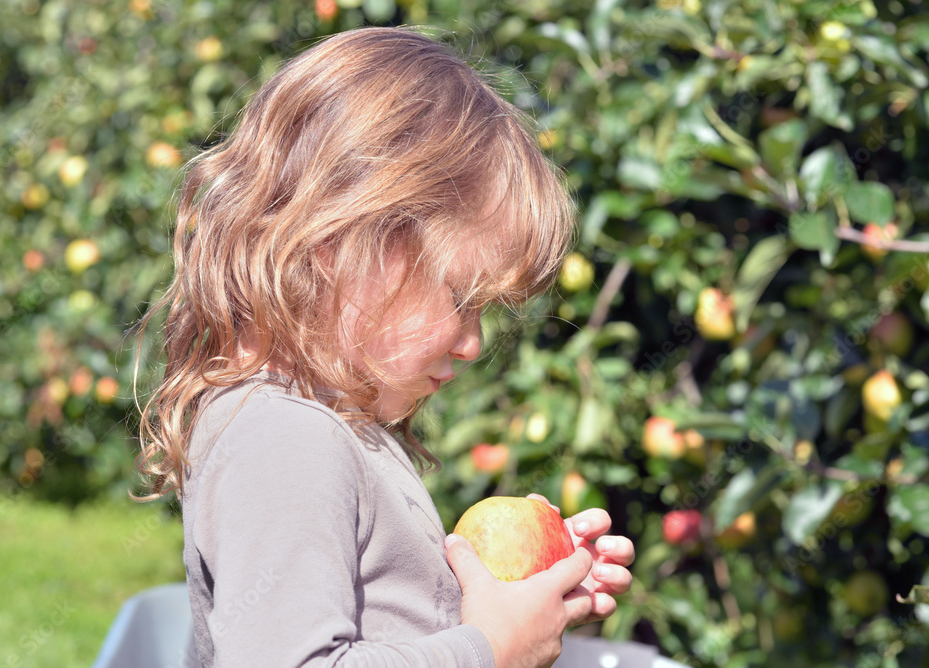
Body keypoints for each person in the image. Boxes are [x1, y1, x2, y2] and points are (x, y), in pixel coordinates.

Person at [133, 26, 635, 668]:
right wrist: (493, 649)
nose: (473, 341)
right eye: (460, 298)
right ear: (338, 246)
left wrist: (519, 597)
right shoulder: (282, 440)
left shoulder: (334, 427)